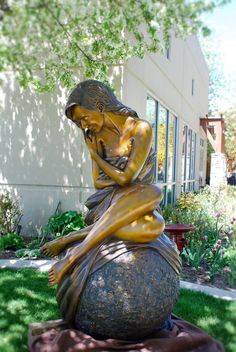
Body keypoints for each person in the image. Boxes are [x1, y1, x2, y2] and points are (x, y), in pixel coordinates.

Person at [41, 80, 180, 289]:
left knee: (153, 223)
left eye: (84, 118)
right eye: (79, 123)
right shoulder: (95, 137)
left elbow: (127, 179)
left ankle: (75, 242)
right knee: (152, 192)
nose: (84, 126)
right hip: (110, 201)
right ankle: (73, 255)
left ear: (99, 106)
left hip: (140, 201)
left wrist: (95, 157)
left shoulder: (140, 129)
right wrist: (112, 172)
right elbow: (98, 182)